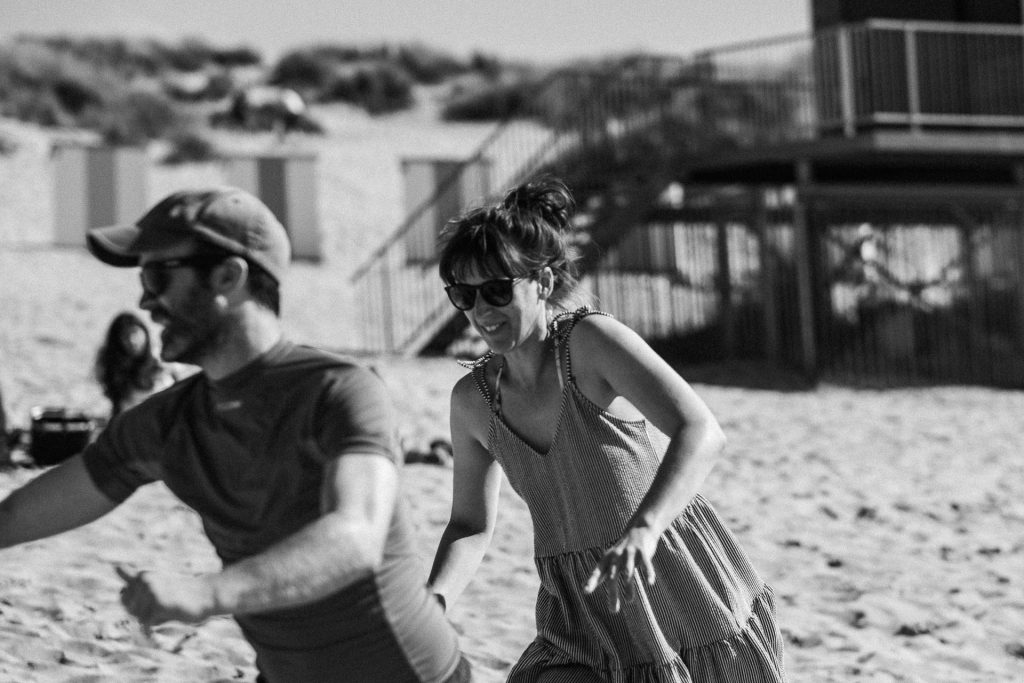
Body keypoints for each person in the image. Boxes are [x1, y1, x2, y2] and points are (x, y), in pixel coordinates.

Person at [0, 187, 469, 683]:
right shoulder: (167, 421)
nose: (144, 300)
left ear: (228, 276)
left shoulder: (339, 390)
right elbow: (16, 516)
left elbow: (355, 536)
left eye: (158, 275)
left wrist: (208, 593)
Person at [427, 176, 787, 682]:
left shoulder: (589, 345)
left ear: (544, 283)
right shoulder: (473, 402)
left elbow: (700, 429)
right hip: (578, 609)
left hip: (670, 582)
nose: (480, 309)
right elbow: (468, 525)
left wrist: (644, 528)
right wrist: (433, 603)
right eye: (462, 294)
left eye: (496, 289)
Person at [94, 311, 176, 418]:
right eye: (125, 336)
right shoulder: (115, 372)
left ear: (144, 331)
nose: (132, 340)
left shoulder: (163, 361)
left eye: (134, 333)